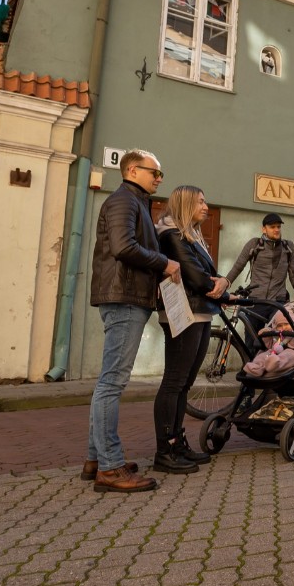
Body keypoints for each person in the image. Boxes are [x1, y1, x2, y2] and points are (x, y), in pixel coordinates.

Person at [85, 149, 180, 494]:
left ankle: (96, 460)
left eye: (160, 173)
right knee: (112, 383)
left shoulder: (133, 201)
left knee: (108, 382)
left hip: (125, 297)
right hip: (124, 298)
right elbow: (124, 247)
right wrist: (164, 263)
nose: (159, 178)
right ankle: (109, 468)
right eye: (155, 172)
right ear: (132, 170)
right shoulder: (124, 200)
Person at [153, 186, 228, 473]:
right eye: (200, 202)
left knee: (184, 383)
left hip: (200, 312)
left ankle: (177, 442)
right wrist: (219, 287)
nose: (206, 207)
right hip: (183, 313)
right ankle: (165, 450)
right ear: (185, 204)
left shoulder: (192, 235)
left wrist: (222, 283)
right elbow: (197, 277)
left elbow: (210, 273)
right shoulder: (171, 235)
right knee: (174, 381)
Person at [225, 212, 294, 304]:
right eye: (272, 227)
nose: (277, 230)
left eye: (278, 227)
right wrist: (223, 288)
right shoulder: (254, 244)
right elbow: (238, 266)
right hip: (256, 300)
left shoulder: (288, 247)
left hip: (278, 301)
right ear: (264, 229)